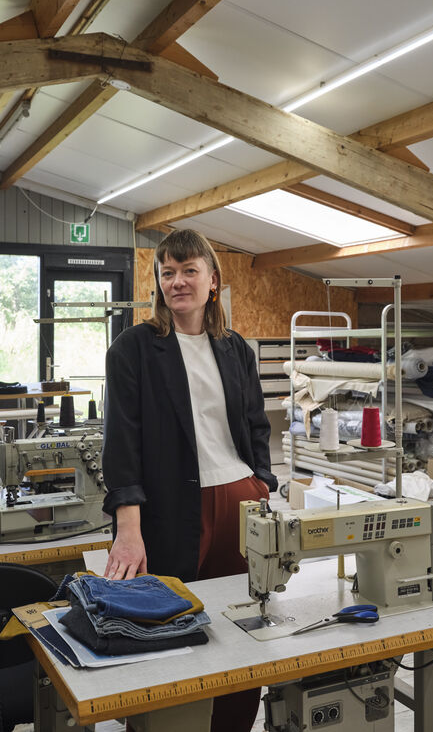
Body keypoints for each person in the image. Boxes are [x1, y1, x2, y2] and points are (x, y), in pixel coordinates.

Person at [102, 228, 277, 732]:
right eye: (168, 272)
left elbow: (256, 426)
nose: (177, 281)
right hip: (170, 509)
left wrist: (261, 484)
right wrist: (127, 530)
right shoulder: (133, 349)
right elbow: (122, 446)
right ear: (158, 283)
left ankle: (232, 724)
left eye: (189, 271)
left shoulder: (235, 349)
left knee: (243, 625)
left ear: (212, 281)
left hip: (240, 501)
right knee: (164, 630)